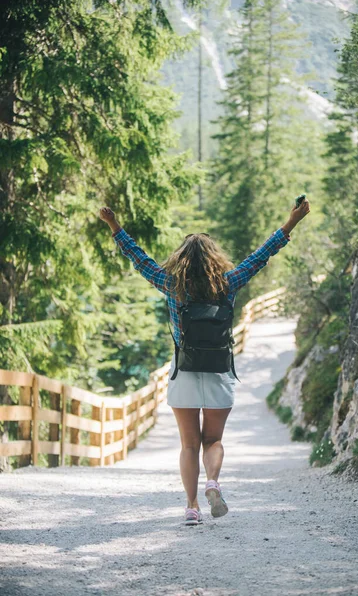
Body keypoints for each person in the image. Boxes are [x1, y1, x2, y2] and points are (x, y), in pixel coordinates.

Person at [99, 199, 310, 526]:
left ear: (181, 261)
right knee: (213, 441)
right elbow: (262, 255)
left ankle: (192, 507)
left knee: (189, 444)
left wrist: (114, 226)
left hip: (184, 372)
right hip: (218, 371)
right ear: (214, 259)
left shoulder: (171, 285)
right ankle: (213, 482)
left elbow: (139, 259)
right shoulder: (229, 282)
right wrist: (291, 221)